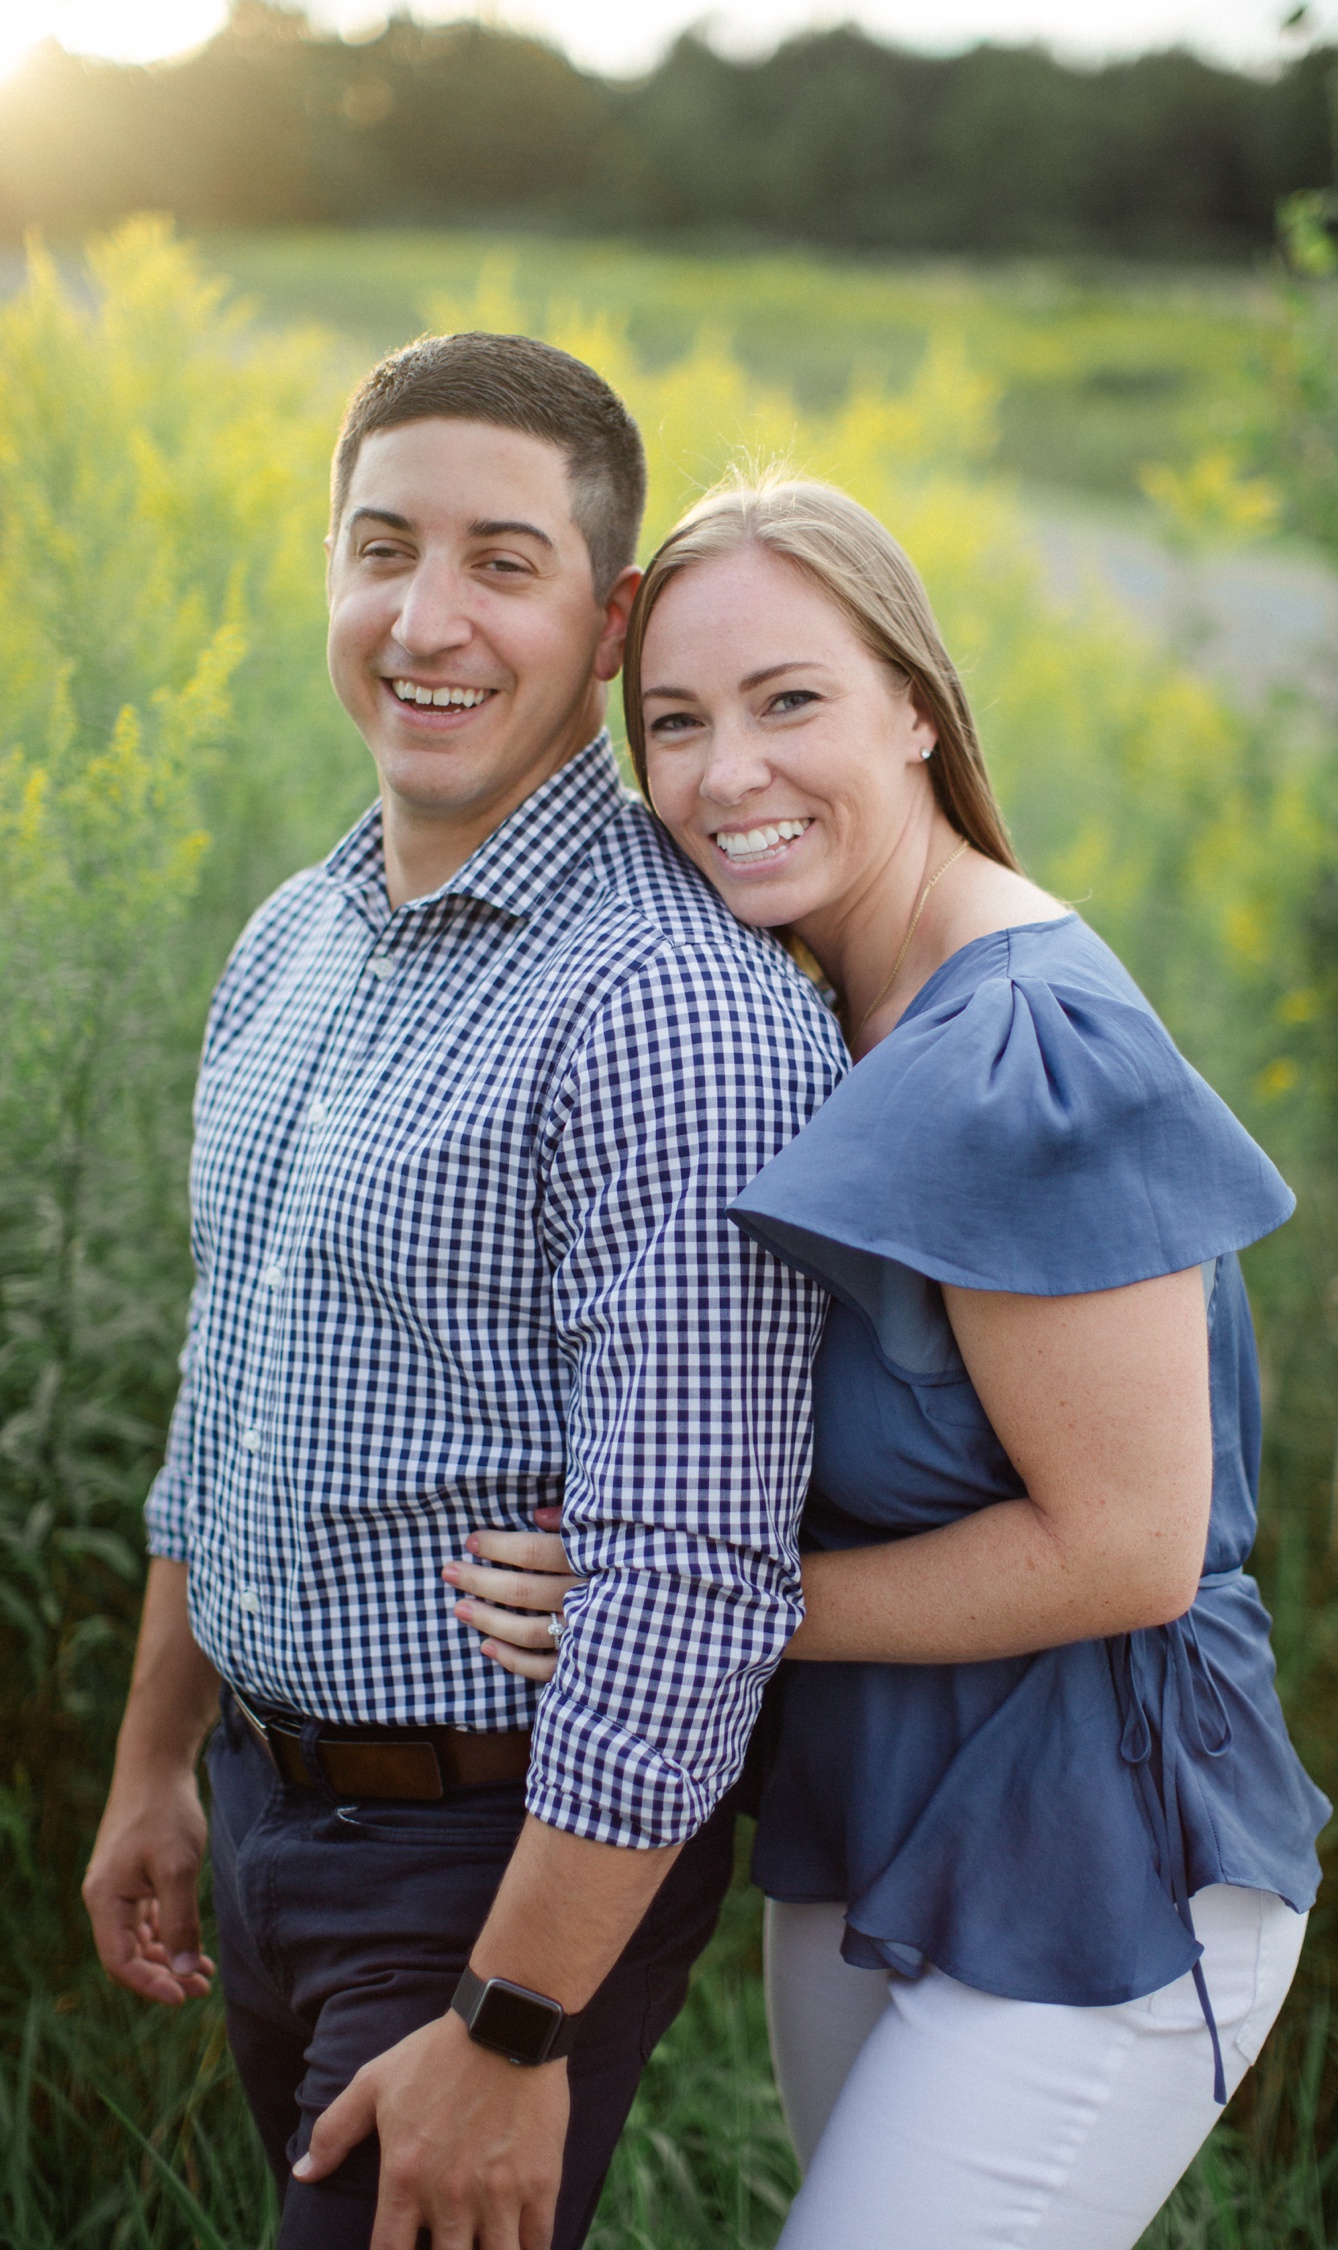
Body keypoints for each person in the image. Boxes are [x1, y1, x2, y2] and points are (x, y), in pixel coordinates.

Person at [449, 478, 1333, 2249]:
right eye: (676, 724)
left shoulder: (1021, 1044)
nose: (725, 775)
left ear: (915, 704)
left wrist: (704, 1604)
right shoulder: (791, 1012)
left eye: (792, 702)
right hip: (875, 1813)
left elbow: (1131, 1546)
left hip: (1108, 1850)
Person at [81, 343, 847, 2250]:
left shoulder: (670, 1012)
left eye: (504, 562)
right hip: (267, 1806)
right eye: (381, 547)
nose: (426, 619)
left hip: (489, 1862)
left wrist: (511, 2026)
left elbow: (691, 1573)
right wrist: (158, 1760)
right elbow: (230, 1378)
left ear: (608, 628)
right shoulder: (296, 934)